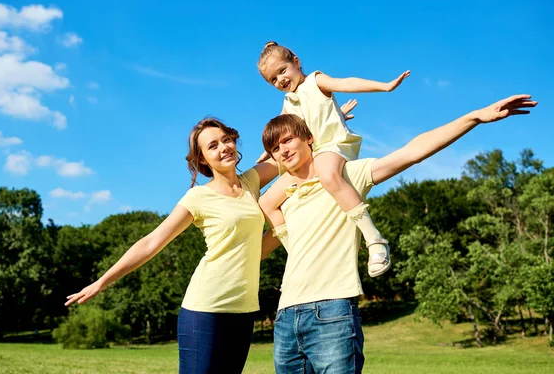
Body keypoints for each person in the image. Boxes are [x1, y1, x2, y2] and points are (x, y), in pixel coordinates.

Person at [260, 95, 537, 373]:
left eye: (288, 140)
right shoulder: (283, 198)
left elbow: (411, 152)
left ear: (309, 138)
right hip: (286, 317)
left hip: (331, 312)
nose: (282, 150)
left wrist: (473, 117)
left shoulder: (345, 176)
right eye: (275, 148)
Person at [65, 118, 279, 373]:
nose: (223, 147)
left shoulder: (252, 181)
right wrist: (102, 281)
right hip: (205, 310)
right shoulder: (198, 197)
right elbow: (152, 242)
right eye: (212, 146)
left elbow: (294, 148)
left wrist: (328, 109)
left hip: (244, 309)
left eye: (226, 140)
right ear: (202, 159)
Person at [257, 41, 410, 277]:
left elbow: (346, 83)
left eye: (282, 71)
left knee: (328, 174)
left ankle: (375, 240)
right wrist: (264, 156)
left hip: (334, 146)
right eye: (273, 80)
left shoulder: (315, 82)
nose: (280, 80)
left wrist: (385, 86)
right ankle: (297, 255)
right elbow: (279, 134)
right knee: (267, 202)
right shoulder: (288, 102)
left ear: (296, 62)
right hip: (311, 156)